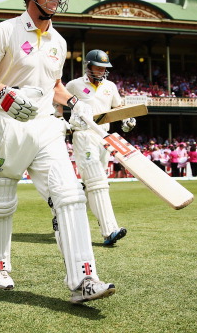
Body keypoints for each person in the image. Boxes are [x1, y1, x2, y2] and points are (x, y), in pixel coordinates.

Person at [0, 0, 115, 303]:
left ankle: (84, 281)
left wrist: (75, 103)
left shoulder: (59, 41)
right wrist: (7, 94)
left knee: (70, 195)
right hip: (9, 122)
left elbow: (54, 86)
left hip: (47, 126)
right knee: (1, 198)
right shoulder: (6, 30)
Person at [65, 49, 135, 246]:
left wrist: (126, 119)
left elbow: (117, 107)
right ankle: (109, 230)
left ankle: (64, 219)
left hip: (104, 137)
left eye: (105, 67)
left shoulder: (110, 86)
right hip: (83, 134)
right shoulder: (74, 85)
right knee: (97, 182)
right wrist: (59, 122)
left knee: (95, 183)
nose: (102, 70)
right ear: (88, 66)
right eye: (98, 66)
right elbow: (58, 102)